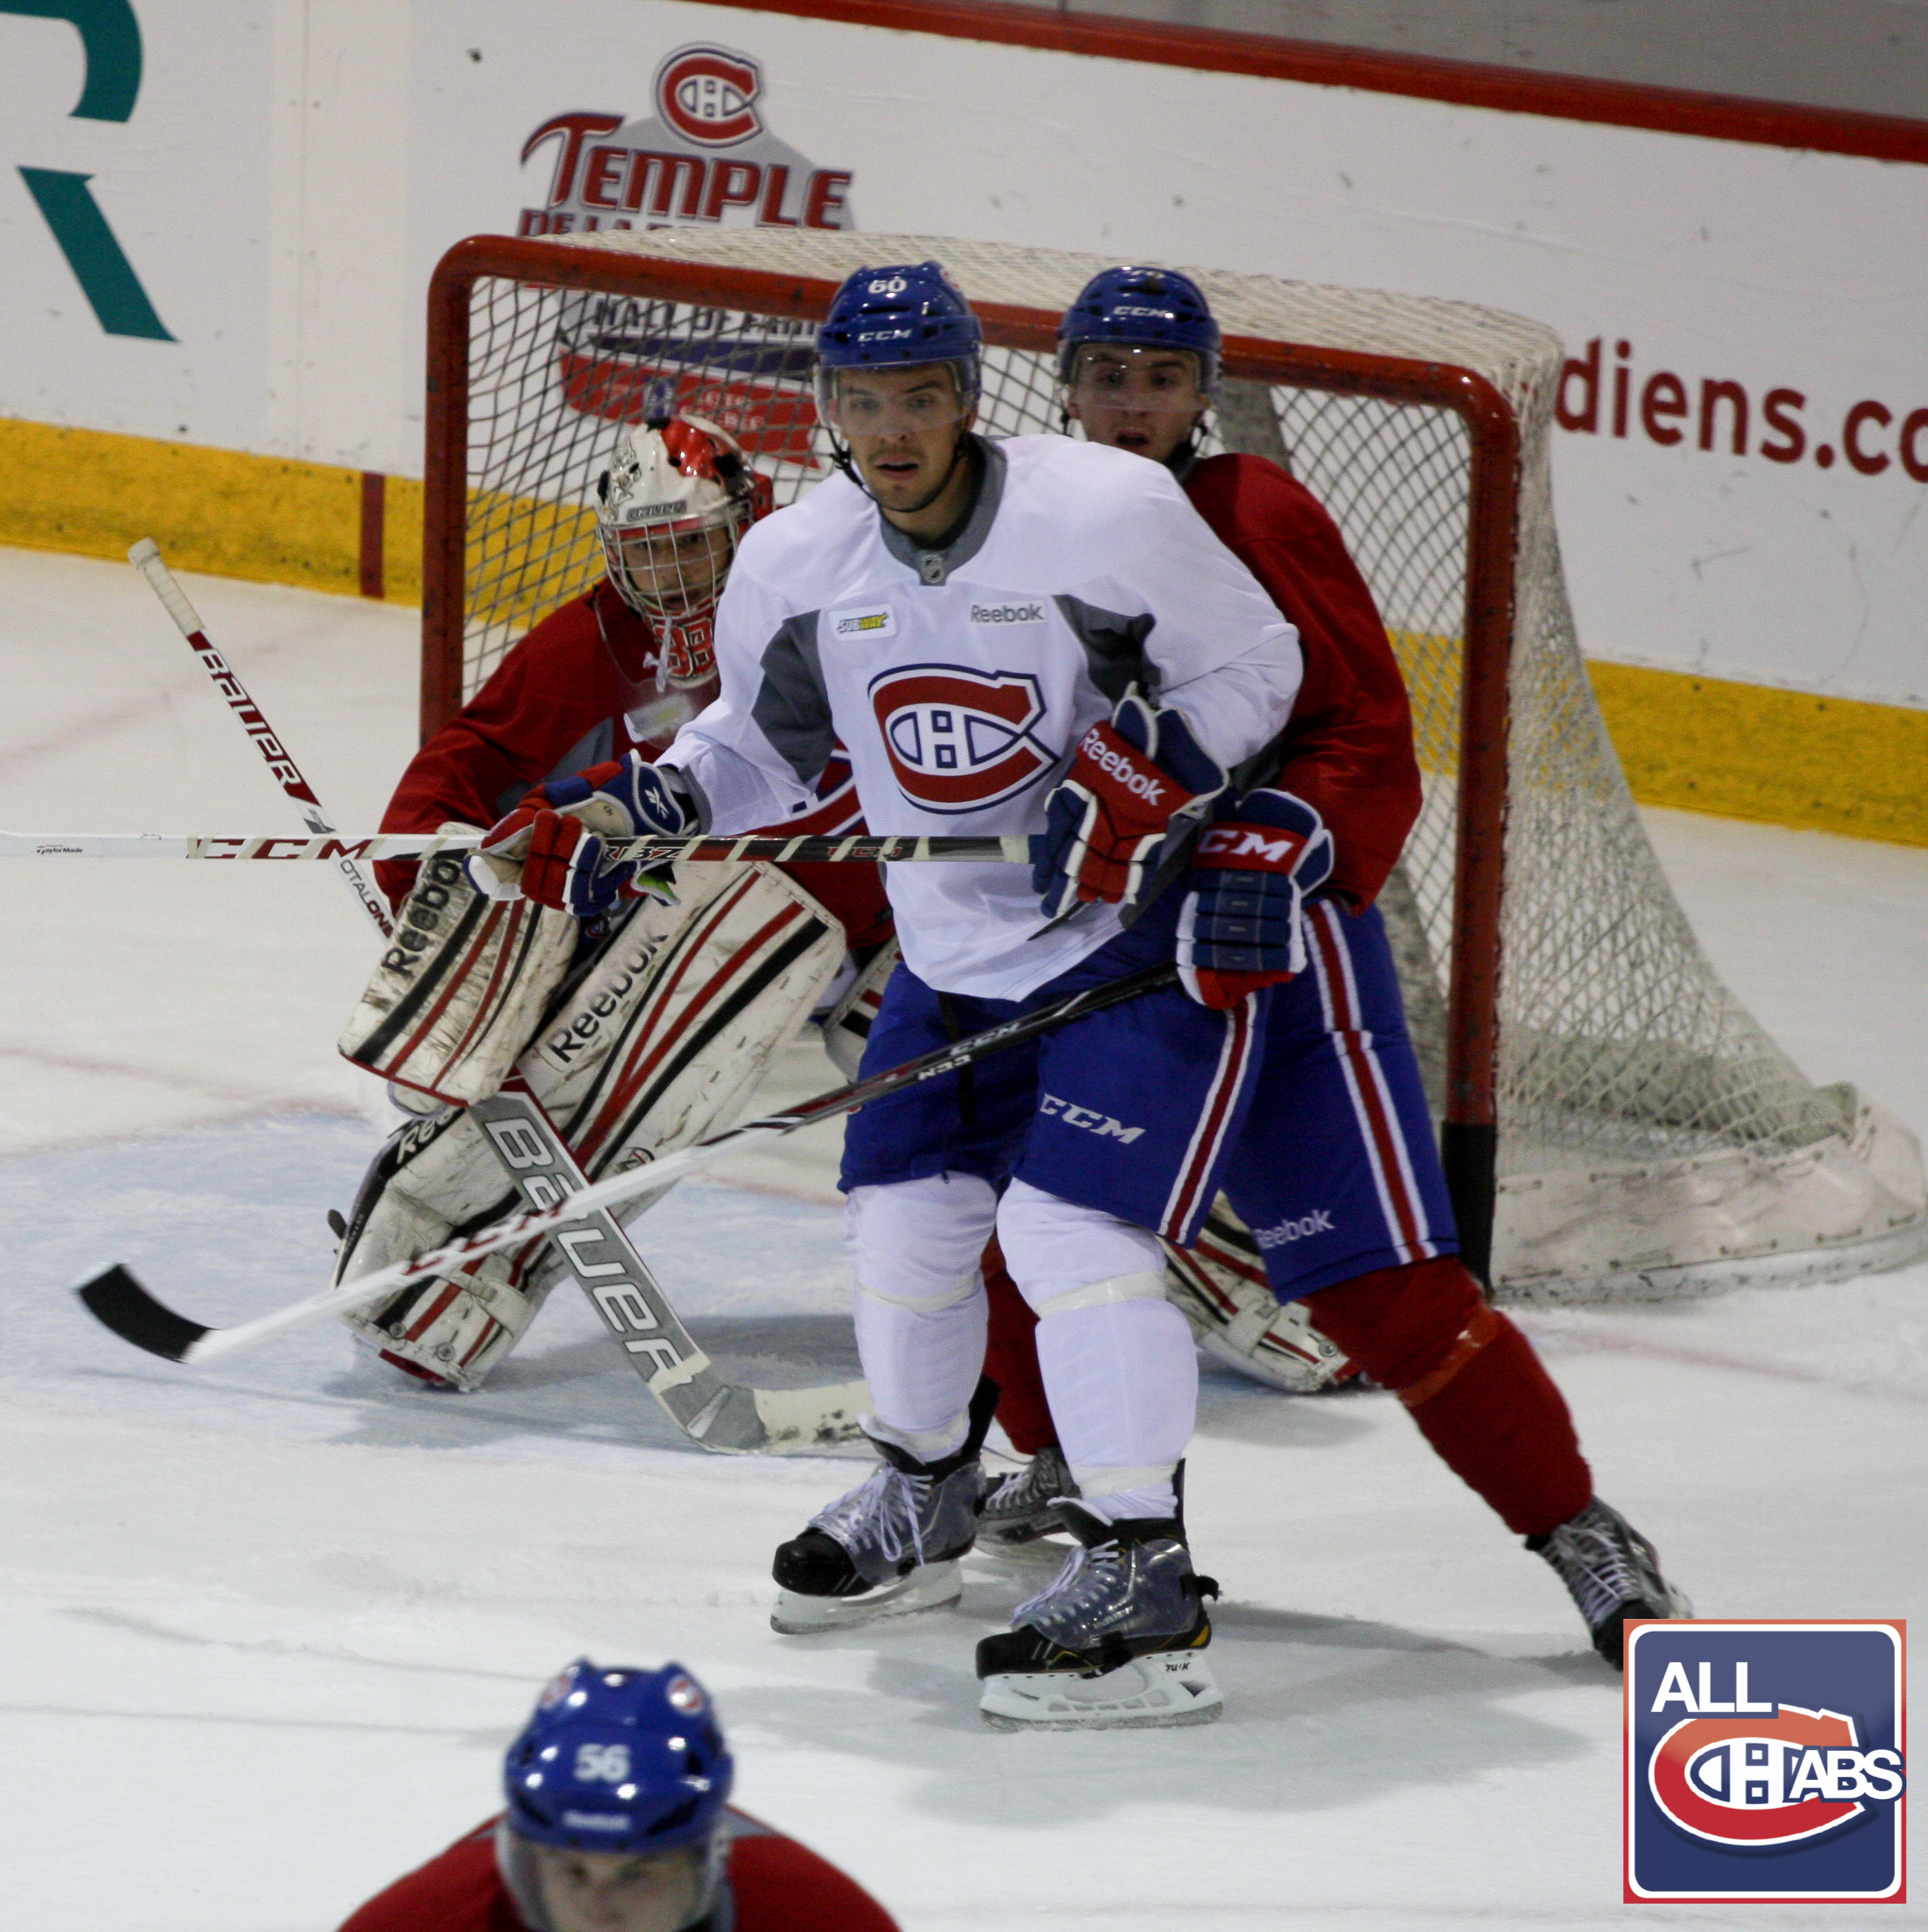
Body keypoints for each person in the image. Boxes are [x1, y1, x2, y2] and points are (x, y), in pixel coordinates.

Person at [473, 262, 1308, 1728]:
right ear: (831, 410)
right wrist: (647, 808)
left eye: (919, 397)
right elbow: (764, 748)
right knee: (907, 1225)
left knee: (1067, 1234)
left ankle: (1143, 1573)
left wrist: (1139, 786)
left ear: (969, 397)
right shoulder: (800, 560)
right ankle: (925, 1497)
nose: (893, 429)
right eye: (863, 402)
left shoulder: (1102, 515)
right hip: (946, 956)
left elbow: (1257, 666)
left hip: (1117, 951)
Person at [966, 266, 1690, 1667]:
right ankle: (1078, 1476)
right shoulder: (1013, 521)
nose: (1131, 404)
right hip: (1110, 957)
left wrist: (1275, 839)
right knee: (1031, 1216)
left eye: (1161, 379)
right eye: (1107, 375)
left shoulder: (1257, 512)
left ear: (1201, 394)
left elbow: (1363, 728)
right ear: (1061, 381)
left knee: (1377, 1290)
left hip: (1279, 957)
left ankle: (1578, 1528)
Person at [335, 396, 892, 1392]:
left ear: (749, 522)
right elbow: (473, 756)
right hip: (734, 920)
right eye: (648, 549)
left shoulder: (828, 597)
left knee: (969, 1100)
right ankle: (457, 1276)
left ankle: (1206, 1259)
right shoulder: (605, 635)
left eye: (692, 543)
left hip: (903, 921)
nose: (671, 574)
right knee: (599, 1043)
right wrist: (426, 872)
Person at [338, 1659, 897, 1932]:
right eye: (571, 1871)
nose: (600, 1910)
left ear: (704, 1862)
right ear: (526, 1864)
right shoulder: (421, 1922)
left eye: (637, 1874)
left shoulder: (825, 1919)